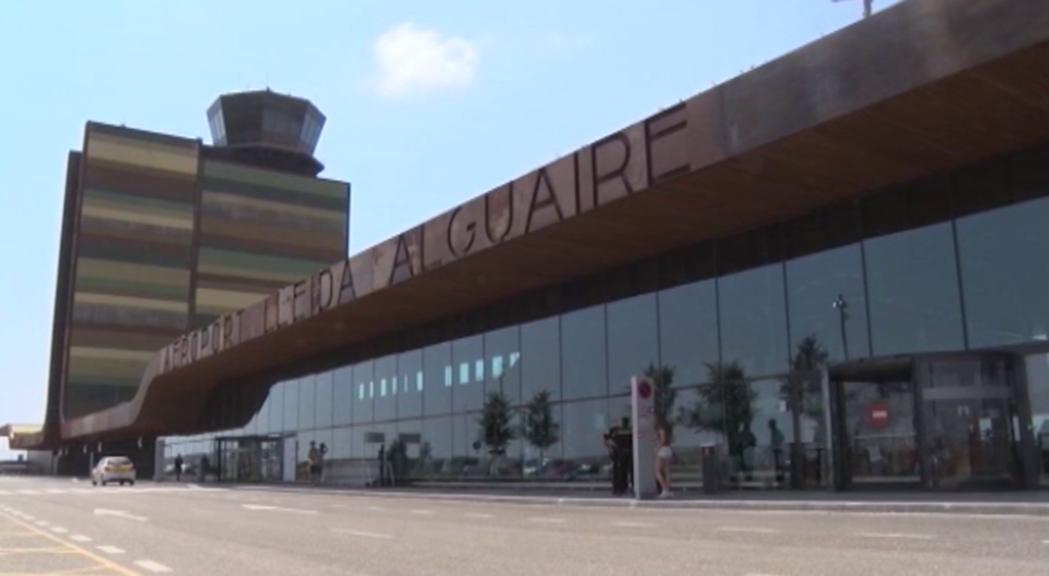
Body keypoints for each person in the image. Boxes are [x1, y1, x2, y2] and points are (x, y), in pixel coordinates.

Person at [655, 424, 673, 498]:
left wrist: (657, 448)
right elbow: (673, 439)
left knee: (657, 471)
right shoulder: (669, 429)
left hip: (662, 450)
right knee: (667, 471)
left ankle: (664, 489)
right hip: (668, 449)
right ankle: (667, 490)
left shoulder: (661, 428)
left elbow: (662, 440)